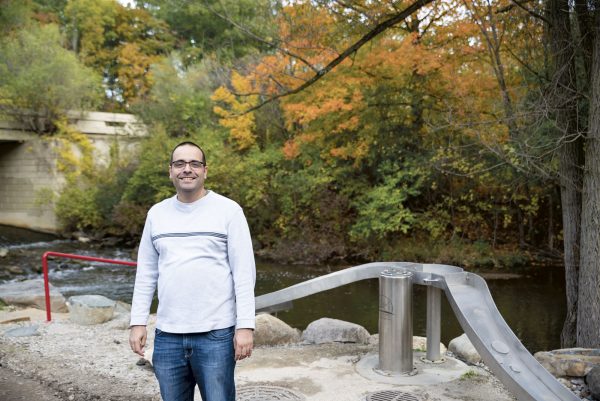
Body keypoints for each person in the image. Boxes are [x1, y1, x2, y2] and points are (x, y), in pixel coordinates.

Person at [129, 141, 256, 401]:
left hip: (216, 336)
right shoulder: (157, 214)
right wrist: (138, 322)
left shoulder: (229, 211)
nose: (187, 169)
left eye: (194, 163)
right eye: (180, 164)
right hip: (167, 337)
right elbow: (146, 274)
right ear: (170, 171)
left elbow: (244, 274)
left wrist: (245, 327)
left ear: (205, 171)